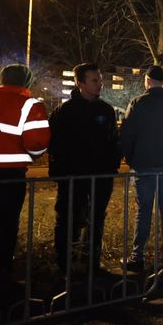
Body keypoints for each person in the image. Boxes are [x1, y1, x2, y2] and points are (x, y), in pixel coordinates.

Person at [49, 63, 121, 275]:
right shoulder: (64, 112)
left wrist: (112, 165)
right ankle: (65, 265)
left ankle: (91, 262)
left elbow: (114, 141)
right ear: (80, 83)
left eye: (100, 79)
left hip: (101, 176)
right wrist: (61, 173)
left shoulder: (106, 110)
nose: (100, 84)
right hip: (73, 177)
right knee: (69, 219)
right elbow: (54, 144)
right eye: (94, 80)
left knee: (96, 219)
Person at [120, 65, 163, 271]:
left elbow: (127, 135)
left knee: (143, 211)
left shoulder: (138, 103)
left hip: (144, 165)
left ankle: (137, 256)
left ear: (147, 80)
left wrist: (132, 159)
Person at [0, 64, 50, 286]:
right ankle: (1, 272)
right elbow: (38, 142)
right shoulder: (30, 104)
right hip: (10, 176)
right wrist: (29, 154)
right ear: (26, 81)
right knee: (7, 225)